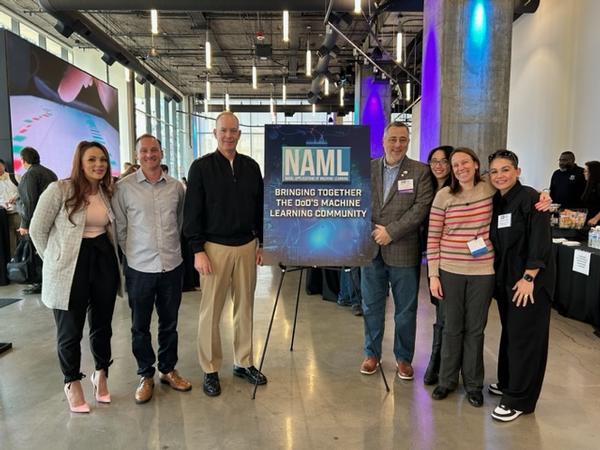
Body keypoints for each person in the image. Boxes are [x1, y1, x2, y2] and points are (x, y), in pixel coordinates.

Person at [29, 141, 121, 413]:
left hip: (103, 259)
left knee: (102, 325)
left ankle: (101, 374)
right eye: (92, 159)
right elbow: (37, 230)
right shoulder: (60, 189)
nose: (98, 165)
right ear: (80, 163)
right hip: (70, 265)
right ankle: (72, 382)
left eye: (102, 159)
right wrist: (55, 262)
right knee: (70, 330)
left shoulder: (107, 192)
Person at [183, 111, 265, 397]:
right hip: (213, 249)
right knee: (211, 312)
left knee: (245, 308)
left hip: (246, 246)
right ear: (215, 134)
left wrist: (262, 243)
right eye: (223, 131)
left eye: (233, 131)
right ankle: (210, 368)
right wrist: (197, 249)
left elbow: (259, 208)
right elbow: (191, 213)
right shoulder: (201, 168)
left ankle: (244, 362)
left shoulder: (252, 167)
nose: (228, 135)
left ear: (239, 134)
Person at [112, 134, 191, 404]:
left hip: (171, 265)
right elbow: (120, 228)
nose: (149, 155)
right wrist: (133, 254)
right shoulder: (123, 189)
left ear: (162, 152)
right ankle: (145, 374)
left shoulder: (176, 188)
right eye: (144, 151)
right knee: (140, 326)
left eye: (154, 150)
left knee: (169, 324)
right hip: (139, 268)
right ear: (136, 156)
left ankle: (168, 369)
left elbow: (180, 222)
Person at [359, 121, 433, 380]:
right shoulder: (366, 168)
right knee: (371, 306)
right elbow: (356, 202)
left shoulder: (420, 172)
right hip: (371, 249)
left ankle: (403, 359)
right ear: (383, 140)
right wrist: (373, 229)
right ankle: (372, 355)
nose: (397, 144)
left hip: (403, 249)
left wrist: (391, 231)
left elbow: (421, 209)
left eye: (403, 139)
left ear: (408, 142)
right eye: (393, 139)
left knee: (405, 310)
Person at [487, 149, 555, 422]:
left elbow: (540, 242)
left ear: (517, 171)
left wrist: (529, 277)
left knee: (526, 340)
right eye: (494, 171)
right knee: (512, 334)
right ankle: (507, 383)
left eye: (505, 170)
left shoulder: (532, 199)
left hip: (529, 283)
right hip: (507, 281)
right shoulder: (497, 201)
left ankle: (519, 400)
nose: (499, 175)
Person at [427, 147, 496, 407]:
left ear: (476, 164)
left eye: (464, 162)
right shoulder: (444, 196)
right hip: (450, 270)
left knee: (475, 330)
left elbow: (519, 195)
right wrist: (434, 275)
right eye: (455, 165)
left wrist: (543, 198)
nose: (460, 168)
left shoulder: (489, 189)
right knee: (451, 328)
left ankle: (474, 385)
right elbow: (433, 237)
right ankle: (446, 381)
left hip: (482, 271)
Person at [422, 145, 453, 386]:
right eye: (434, 161)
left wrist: (542, 197)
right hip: (434, 260)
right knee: (440, 313)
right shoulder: (427, 186)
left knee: (447, 316)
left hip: (456, 262)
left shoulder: (461, 188)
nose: (439, 165)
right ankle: (440, 362)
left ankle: (440, 365)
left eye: (444, 160)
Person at [16, 147, 58, 294]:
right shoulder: (49, 172)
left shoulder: (29, 175)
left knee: (37, 252)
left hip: (37, 221)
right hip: (52, 221)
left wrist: (25, 224)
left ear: (23, 160)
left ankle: (40, 282)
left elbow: (29, 201)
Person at [0, 158, 20, 256]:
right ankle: (15, 268)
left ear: (3, 166)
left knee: (24, 240)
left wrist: (16, 197)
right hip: (4, 218)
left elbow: (25, 192)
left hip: (18, 214)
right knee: (10, 245)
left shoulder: (15, 177)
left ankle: (27, 265)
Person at [581, 161, 600, 226]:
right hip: (589, 220)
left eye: (586, 171)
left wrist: (596, 218)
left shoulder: (598, 185)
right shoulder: (589, 185)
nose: (584, 173)